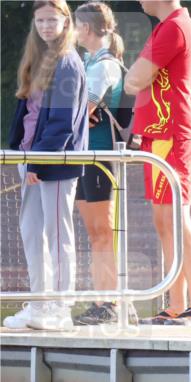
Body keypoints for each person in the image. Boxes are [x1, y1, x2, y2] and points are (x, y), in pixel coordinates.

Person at [4, 0, 88, 331]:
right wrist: (22, 155)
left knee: (57, 234)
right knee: (31, 233)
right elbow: (29, 113)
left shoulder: (68, 62)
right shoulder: (39, 59)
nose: (45, 26)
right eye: (40, 20)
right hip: (31, 161)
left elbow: (61, 123)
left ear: (66, 21)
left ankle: (61, 309)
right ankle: (40, 303)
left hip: (54, 164)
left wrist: (38, 162)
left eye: (52, 20)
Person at [125, 0, 191, 325]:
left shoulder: (174, 26)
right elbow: (136, 78)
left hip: (174, 135)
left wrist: (138, 76)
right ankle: (176, 305)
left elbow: (136, 77)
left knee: (177, 219)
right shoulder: (165, 26)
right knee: (164, 222)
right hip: (159, 137)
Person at [73, 1, 135, 326]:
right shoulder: (87, 62)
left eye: (74, 25)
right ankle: (104, 300)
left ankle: (110, 303)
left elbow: (82, 109)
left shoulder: (104, 66)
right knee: (94, 232)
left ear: (85, 28)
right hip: (85, 156)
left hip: (101, 158)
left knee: (102, 233)